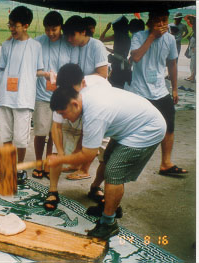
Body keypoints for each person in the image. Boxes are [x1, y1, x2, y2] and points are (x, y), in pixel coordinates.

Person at [47, 63, 166, 239]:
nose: (64, 118)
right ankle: (110, 205)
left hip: (147, 129)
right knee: (109, 157)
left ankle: (108, 222)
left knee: (114, 172)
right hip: (131, 125)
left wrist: (59, 160)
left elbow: (87, 154)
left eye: (64, 114)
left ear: (74, 104)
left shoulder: (94, 113)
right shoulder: (80, 96)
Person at [50, 15, 108, 204]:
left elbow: (102, 74)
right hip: (76, 91)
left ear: (83, 32)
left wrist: (73, 158)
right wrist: (59, 153)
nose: (69, 40)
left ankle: (95, 185)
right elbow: (56, 126)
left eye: (72, 35)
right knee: (61, 151)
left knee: (102, 153)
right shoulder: (65, 93)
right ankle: (53, 190)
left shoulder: (96, 47)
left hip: (102, 108)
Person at [126, 9, 188, 176]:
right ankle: (128, 163)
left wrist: (174, 89)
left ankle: (166, 163)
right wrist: (152, 36)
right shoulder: (139, 36)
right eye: (157, 20)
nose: (161, 24)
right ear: (150, 21)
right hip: (140, 91)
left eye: (164, 20)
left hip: (160, 90)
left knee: (169, 125)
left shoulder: (169, 39)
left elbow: (172, 64)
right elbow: (136, 57)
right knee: (134, 128)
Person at [0, 6, 44, 184]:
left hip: (24, 99)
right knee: (5, 136)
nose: (11, 29)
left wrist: (46, 75)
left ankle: (20, 168)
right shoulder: (7, 45)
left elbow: (38, 70)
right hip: (5, 97)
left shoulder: (36, 46)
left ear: (26, 25)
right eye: (9, 25)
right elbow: (1, 68)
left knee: (21, 138)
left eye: (14, 26)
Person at [32, 11, 71, 179]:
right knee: (40, 132)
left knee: (54, 133)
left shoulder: (68, 44)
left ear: (61, 27)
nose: (50, 33)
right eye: (47, 29)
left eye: (54, 29)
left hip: (60, 96)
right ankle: (38, 162)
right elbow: (31, 67)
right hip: (41, 95)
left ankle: (49, 161)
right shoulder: (37, 43)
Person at [99, 16, 131, 89]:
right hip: (124, 64)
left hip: (117, 64)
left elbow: (101, 40)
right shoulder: (127, 37)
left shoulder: (117, 36)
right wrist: (106, 48)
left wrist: (106, 29)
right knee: (121, 84)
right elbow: (119, 51)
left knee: (114, 84)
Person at [185, 16, 196, 83]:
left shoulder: (195, 27)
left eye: (189, 20)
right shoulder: (194, 27)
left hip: (194, 48)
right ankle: (192, 75)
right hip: (193, 47)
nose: (188, 21)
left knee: (193, 63)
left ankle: (192, 76)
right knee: (192, 62)